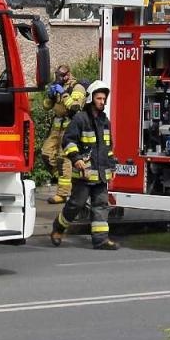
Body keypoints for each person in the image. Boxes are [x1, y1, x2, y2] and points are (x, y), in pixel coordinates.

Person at [50, 80, 118, 250]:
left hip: (101, 174)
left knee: (101, 206)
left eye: (104, 99)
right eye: (99, 98)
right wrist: (77, 159)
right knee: (76, 204)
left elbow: (108, 147)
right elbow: (68, 140)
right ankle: (58, 229)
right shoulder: (80, 118)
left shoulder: (105, 121)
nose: (102, 102)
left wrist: (112, 166)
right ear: (91, 99)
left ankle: (100, 240)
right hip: (84, 174)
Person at [40, 65, 86, 203]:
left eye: (60, 76)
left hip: (70, 128)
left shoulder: (77, 88)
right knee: (46, 154)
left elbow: (75, 108)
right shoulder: (57, 86)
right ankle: (67, 179)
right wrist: (50, 96)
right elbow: (46, 106)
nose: (57, 78)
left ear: (67, 75)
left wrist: (64, 93)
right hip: (56, 127)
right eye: (56, 75)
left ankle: (62, 194)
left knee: (63, 159)